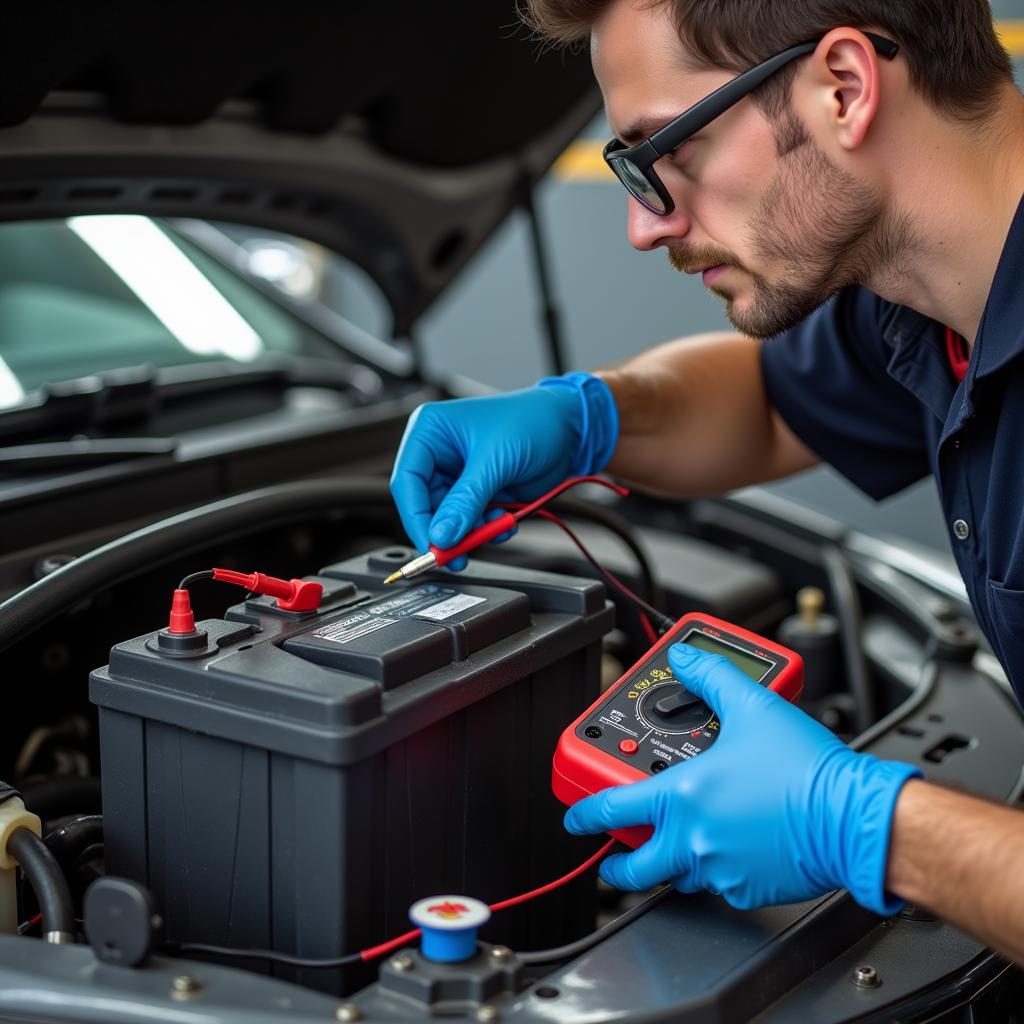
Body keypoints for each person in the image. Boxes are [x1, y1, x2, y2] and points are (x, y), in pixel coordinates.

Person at [389, 0, 1024, 963]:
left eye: (662, 154)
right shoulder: (924, 295)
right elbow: (770, 404)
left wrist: (870, 830)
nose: (647, 226)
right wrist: (589, 417)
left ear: (843, 88)